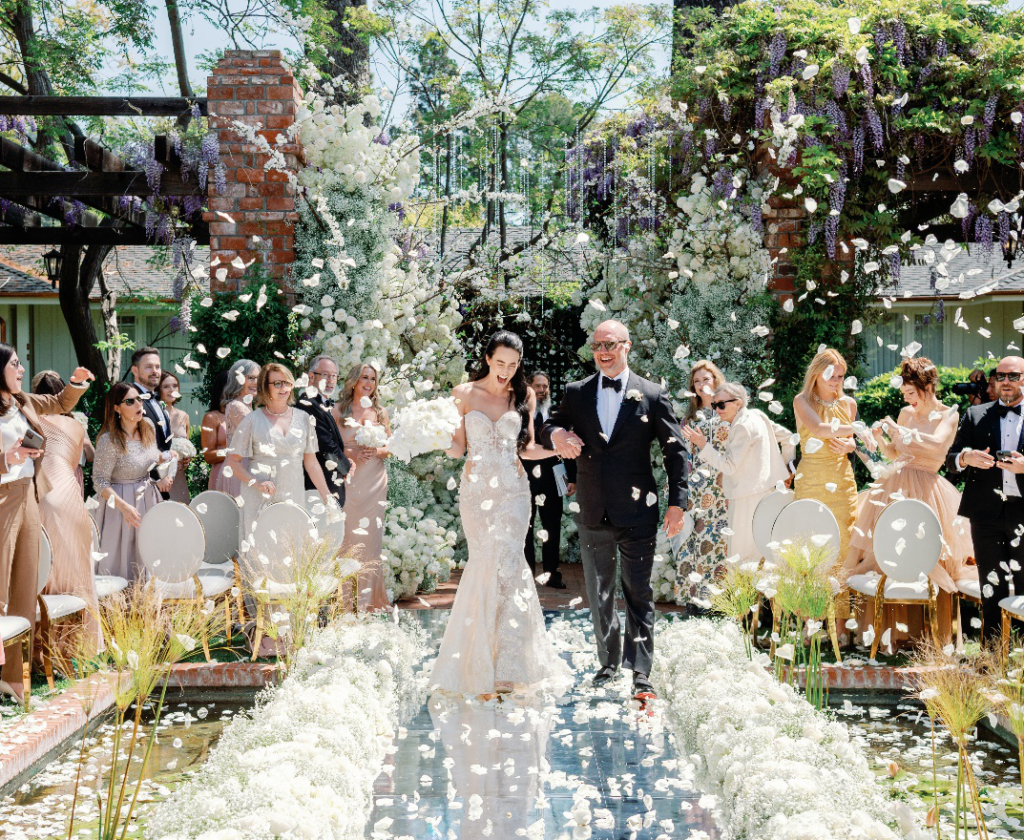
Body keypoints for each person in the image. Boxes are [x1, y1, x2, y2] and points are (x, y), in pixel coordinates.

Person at [543, 320, 688, 701]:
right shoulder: (577, 392)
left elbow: (676, 451)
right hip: (592, 508)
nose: (602, 352)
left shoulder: (653, 395)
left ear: (626, 346)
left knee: (638, 592)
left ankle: (641, 672)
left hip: (639, 511)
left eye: (609, 345)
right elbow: (550, 427)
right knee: (599, 592)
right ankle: (608, 664)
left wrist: (677, 504)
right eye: (596, 347)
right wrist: (557, 436)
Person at [431, 330, 572, 698]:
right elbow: (456, 449)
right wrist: (431, 435)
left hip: (513, 492)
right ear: (488, 358)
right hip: (477, 493)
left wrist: (560, 450)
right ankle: (478, 662)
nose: (506, 371)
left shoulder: (522, 394)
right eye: (500, 363)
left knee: (510, 565)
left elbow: (526, 449)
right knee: (483, 564)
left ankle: (510, 666)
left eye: (513, 364)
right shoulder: (462, 394)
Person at [845, 357, 975, 645]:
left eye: (912, 394)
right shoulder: (905, 413)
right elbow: (894, 453)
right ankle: (890, 634)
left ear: (928, 387)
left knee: (929, 555)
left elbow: (938, 445)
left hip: (930, 491)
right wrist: (880, 439)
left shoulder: (948, 415)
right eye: (904, 395)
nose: (908, 401)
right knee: (886, 553)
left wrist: (900, 430)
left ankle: (930, 636)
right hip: (895, 487)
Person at [0, 345, 92, 702]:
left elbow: (59, 404)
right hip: (2, 498)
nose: (21, 369)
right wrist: (9, 456)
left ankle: (13, 678)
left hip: (29, 495)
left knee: (25, 584)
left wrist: (75, 382)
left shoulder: (22, 400)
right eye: (14, 365)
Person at [225, 363, 336, 564]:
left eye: (287, 382)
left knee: (291, 552)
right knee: (262, 553)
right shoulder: (252, 420)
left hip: (292, 492)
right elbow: (233, 462)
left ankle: (288, 596)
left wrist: (327, 497)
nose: (284, 388)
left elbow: (311, 463)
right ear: (265, 387)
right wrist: (255, 482)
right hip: (260, 495)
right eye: (277, 383)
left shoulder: (304, 419)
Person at [947, 355, 1024, 643]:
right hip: (986, 516)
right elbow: (950, 460)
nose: (1005, 382)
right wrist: (967, 457)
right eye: (1000, 376)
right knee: (991, 587)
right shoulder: (976, 415)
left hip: (1023, 513)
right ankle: (992, 657)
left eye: (1013, 376)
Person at [31, 371, 103, 658]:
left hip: (38, 492)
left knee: (42, 566)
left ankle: (38, 646)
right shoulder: (76, 427)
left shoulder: (29, 419)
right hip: (69, 496)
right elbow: (80, 460)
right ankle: (75, 646)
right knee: (75, 569)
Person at [682, 382, 794, 564]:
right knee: (765, 553)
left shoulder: (742, 426)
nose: (717, 410)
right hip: (768, 493)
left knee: (741, 558)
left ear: (738, 403)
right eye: (714, 405)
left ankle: (743, 593)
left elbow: (729, 466)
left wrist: (703, 444)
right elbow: (789, 438)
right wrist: (786, 471)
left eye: (721, 405)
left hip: (746, 499)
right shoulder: (757, 415)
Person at [793, 348, 859, 624]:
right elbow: (820, 430)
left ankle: (841, 621)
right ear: (817, 374)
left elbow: (852, 444)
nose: (836, 381)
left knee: (843, 544)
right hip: (811, 479)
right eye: (831, 375)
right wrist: (855, 430)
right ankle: (810, 618)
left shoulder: (849, 405)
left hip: (842, 479)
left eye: (841, 376)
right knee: (811, 543)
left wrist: (851, 443)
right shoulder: (802, 401)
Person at [93, 382, 175, 583]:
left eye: (139, 399)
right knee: (123, 558)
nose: (138, 404)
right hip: (120, 505)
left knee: (149, 552)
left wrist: (163, 462)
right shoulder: (109, 440)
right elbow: (99, 480)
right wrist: (123, 506)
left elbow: (149, 457)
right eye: (130, 401)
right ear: (116, 408)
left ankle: (148, 605)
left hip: (148, 497)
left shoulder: (147, 427)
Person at [334, 363, 390, 611]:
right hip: (348, 481)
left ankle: (369, 601)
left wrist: (376, 450)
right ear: (354, 381)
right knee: (346, 540)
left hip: (375, 482)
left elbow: (390, 448)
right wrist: (352, 453)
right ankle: (345, 602)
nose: (369, 383)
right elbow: (330, 448)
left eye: (373, 379)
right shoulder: (338, 411)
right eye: (364, 378)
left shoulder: (380, 412)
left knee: (371, 541)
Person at [675, 360, 730, 610]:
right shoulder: (689, 418)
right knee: (692, 544)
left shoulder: (727, 412)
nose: (701, 385)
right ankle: (693, 601)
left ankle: (717, 603)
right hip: (695, 490)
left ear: (715, 381)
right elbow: (681, 456)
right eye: (696, 381)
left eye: (705, 379)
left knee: (718, 544)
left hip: (720, 489)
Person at [522, 371, 576, 590]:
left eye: (545, 386)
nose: (542, 390)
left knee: (552, 526)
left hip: (554, 477)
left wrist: (571, 478)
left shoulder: (557, 413)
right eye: (538, 385)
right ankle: (526, 576)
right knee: (525, 526)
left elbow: (569, 443)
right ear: (529, 387)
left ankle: (552, 574)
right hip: (525, 477)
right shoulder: (521, 412)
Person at [298, 355, 352, 507]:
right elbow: (325, 445)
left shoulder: (320, 403)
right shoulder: (306, 404)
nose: (331, 380)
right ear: (311, 377)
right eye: (326, 375)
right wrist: (346, 466)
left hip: (330, 483)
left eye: (334, 376)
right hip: (317, 487)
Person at [221, 359, 259, 497]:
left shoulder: (249, 406)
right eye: (250, 378)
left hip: (248, 468)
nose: (255, 382)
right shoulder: (237, 407)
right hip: (240, 469)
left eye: (258, 378)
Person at [130, 347, 171, 453]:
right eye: (148, 367)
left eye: (157, 367)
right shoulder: (129, 399)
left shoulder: (157, 400)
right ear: (135, 370)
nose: (155, 371)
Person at [158, 371, 192, 503]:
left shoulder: (184, 416)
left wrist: (187, 459)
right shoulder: (151, 416)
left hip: (178, 477)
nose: (172, 390)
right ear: (158, 389)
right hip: (158, 476)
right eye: (166, 386)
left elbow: (186, 446)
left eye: (175, 386)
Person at [201, 370, 229, 492]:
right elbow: (208, 456)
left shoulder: (247, 415)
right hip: (222, 473)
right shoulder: (212, 418)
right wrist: (234, 452)